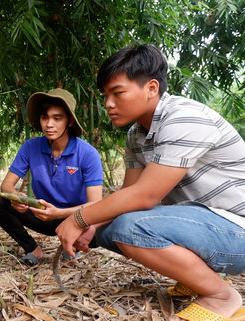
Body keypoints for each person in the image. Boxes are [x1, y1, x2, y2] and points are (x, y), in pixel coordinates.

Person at [56, 44, 245, 320]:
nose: (108, 103)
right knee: (108, 229)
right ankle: (199, 279)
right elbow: (129, 195)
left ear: (152, 88)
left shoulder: (184, 118)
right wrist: (93, 225)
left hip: (237, 228)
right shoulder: (136, 134)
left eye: (117, 93)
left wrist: (78, 219)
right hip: (205, 224)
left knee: (127, 227)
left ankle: (221, 296)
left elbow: (144, 197)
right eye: (105, 95)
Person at [0, 88, 103, 267]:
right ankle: (33, 249)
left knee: (101, 229)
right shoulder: (30, 147)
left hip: (74, 218)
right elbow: (7, 185)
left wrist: (59, 213)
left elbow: (95, 205)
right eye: (44, 117)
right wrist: (18, 199)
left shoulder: (88, 154)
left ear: (70, 121)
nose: (49, 124)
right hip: (40, 214)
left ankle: (73, 246)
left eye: (57, 118)